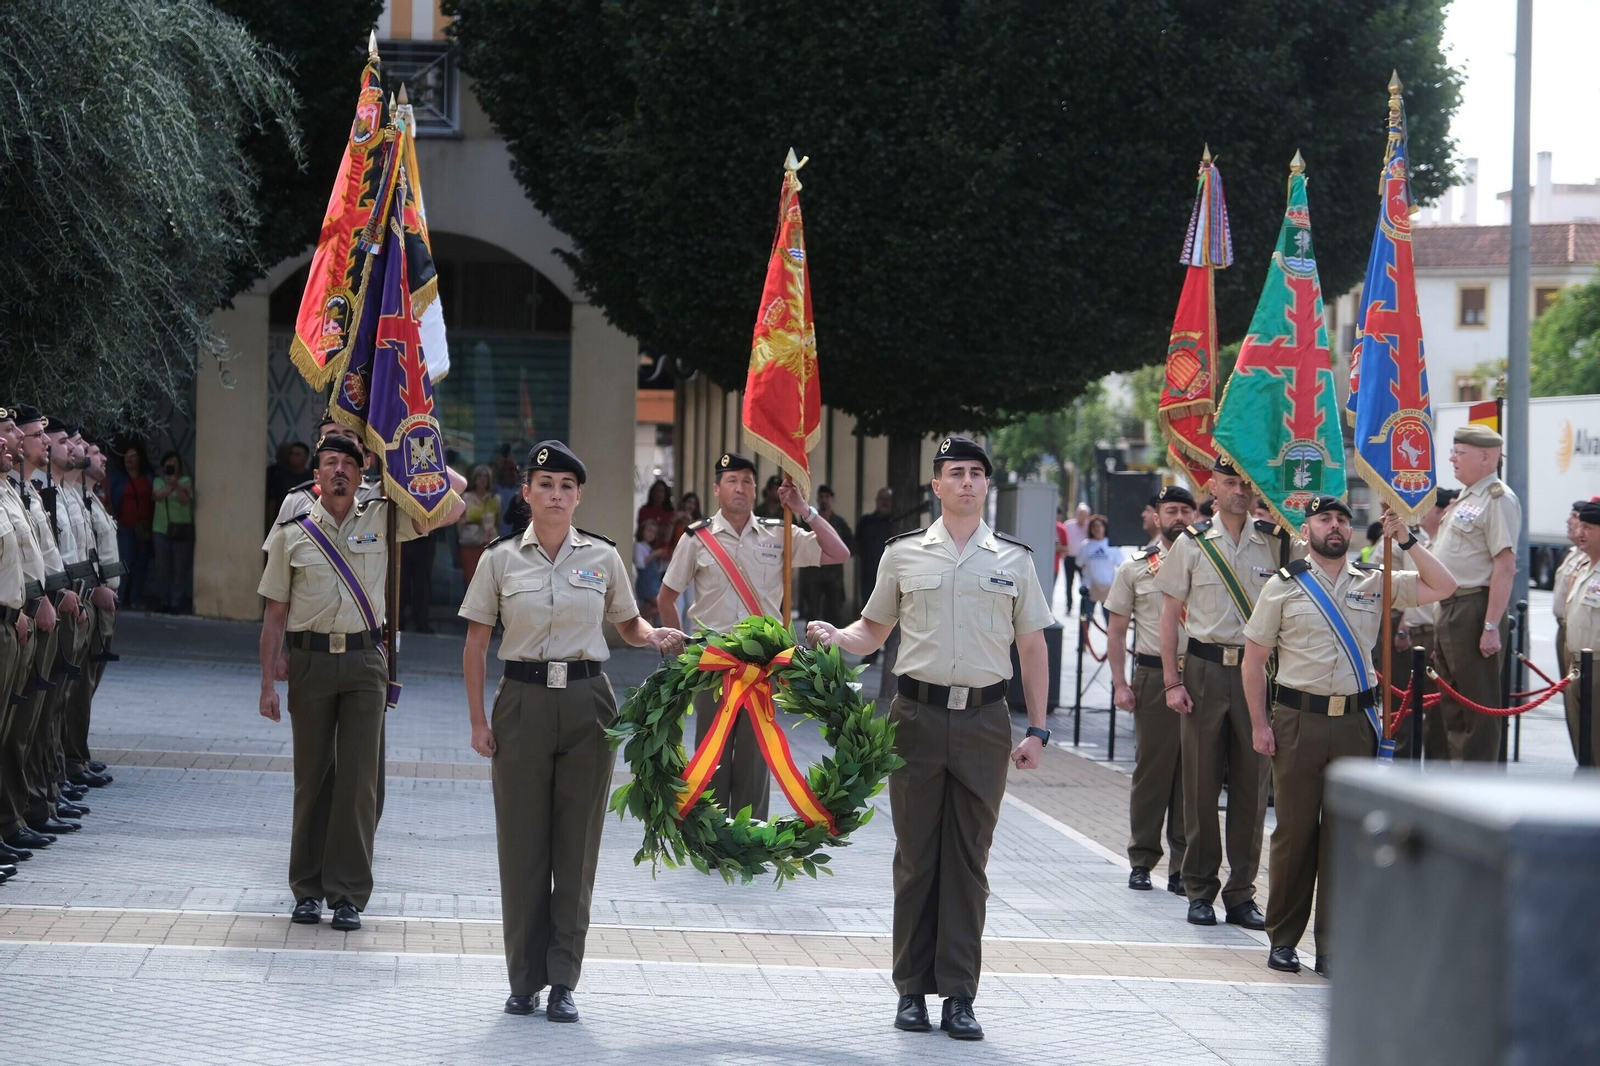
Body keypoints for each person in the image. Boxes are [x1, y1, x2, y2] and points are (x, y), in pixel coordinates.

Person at [806, 435, 1053, 1042]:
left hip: (984, 723)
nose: (966, 482)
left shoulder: (1014, 560)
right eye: (954, 473)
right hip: (914, 719)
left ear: (986, 486)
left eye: (976, 473)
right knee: (917, 858)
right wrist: (831, 637)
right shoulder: (903, 554)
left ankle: (960, 996)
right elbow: (872, 631)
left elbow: (1031, 647)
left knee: (968, 860)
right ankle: (912, 991)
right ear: (936, 486)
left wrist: (1039, 728)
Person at [459, 441, 686, 1022]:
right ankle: (523, 979)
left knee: (576, 848)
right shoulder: (500, 559)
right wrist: (479, 721)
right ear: (527, 493)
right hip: (523, 703)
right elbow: (477, 643)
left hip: (588, 702)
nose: (556, 494)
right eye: (545, 484)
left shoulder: (605, 558)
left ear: (578, 495)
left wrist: (656, 637)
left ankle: (563, 981)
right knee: (522, 845)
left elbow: (628, 624)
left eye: (566, 485)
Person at [257, 434, 465, 932]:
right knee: (312, 779)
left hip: (364, 664)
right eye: (330, 463)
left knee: (358, 783)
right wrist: (268, 680)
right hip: (308, 662)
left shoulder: (385, 513)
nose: (339, 472)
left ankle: (347, 894)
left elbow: (453, 502)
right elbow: (274, 612)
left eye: (349, 464)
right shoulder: (292, 524)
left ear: (362, 471)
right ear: (318, 474)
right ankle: (307, 890)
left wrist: (409, 454)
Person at [1244, 497, 1456, 976]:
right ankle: (1283, 940)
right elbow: (1254, 660)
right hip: (1298, 720)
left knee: (1345, 838)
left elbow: (1444, 584)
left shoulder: (1375, 580)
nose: (1335, 526)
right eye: (1325, 519)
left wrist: (1405, 538)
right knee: (1295, 835)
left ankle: (1334, 947)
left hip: (1356, 723)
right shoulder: (1283, 586)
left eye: (1342, 519)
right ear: (1307, 528)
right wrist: (1260, 724)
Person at [658, 452, 849, 819]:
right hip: (714, 665)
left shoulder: (780, 533)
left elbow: (837, 552)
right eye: (731, 481)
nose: (740, 488)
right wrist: (683, 653)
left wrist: (804, 510)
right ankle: (712, 836)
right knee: (711, 754)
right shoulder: (697, 539)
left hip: (762, 667)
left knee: (756, 755)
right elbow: (667, 597)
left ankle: (748, 840)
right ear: (716, 489)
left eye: (747, 480)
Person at [1153, 456, 1297, 929]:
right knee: (1200, 784)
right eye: (1229, 482)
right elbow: (1169, 614)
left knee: (1253, 790)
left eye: (1245, 483)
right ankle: (1199, 888)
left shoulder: (1275, 543)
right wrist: (1172, 681)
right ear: (1212, 486)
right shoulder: (1192, 544)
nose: (1239, 490)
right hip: (1204, 671)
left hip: (1257, 675)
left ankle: (1241, 894)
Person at [1106, 487, 1195, 895]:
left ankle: (1184, 866)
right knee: (1153, 772)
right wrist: (1121, 684)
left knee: (1194, 775)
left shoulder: (1209, 562)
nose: (1179, 517)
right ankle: (1142, 859)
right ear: (1155, 517)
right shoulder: (1136, 568)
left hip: (1203, 675)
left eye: (1186, 510)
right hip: (1155, 676)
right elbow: (1118, 628)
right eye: (1171, 511)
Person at [1431, 424, 1521, 763]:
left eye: (1460, 452)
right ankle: (1460, 782)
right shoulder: (1468, 497)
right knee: (1454, 706)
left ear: (1486, 457)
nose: (1452, 459)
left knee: (1477, 710)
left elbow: (1505, 565)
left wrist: (1490, 626)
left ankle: (1477, 790)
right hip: (1451, 607)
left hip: (1474, 608)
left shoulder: (1498, 499)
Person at [1553, 499, 1593, 762]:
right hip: (1572, 647)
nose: (1577, 528)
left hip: (1593, 656)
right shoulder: (1580, 561)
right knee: (1575, 713)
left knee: (1591, 721)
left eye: (1587, 526)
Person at [1560, 503, 1600, 766]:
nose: (1581, 532)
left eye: (1589, 527)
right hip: (1576, 664)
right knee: (1580, 736)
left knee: (1596, 737)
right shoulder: (1585, 567)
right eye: (1581, 526)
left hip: (1596, 664)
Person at [798, 485, 854, 625]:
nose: (824, 500)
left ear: (832, 499)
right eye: (821, 497)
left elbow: (851, 546)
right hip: (813, 574)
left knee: (834, 615)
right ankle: (813, 645)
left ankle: (833, 645)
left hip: (833, 577)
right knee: (812, 615)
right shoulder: (809, 522)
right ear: (817, 499)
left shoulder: (839, 523)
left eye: (827, 497)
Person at [151, 451, 194, 614]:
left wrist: (176, 484)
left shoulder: (186, 481)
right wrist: (171, 486)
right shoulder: (157, 481)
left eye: (175, 462)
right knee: (162, 567)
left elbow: (184, 500)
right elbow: (156, 496)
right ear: (163, 465)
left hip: (181, 530)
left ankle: (176, 603)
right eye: (169, 462)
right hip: (160, 529)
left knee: (180, 568)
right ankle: (164, 601)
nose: (172, 465)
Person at [113, 444, 152, 609]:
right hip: (124, 527)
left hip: (142, 528)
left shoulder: (148, 478)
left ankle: (136, 598)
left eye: (133, 455)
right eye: (127, 455)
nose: (129, 459)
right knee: (124, 562)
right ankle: (119, 598)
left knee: (141, 564)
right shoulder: (118, 478)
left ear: (140, 458)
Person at [458, 465, 501, 590]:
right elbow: (459, 522)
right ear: (474, 478)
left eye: (485, 477)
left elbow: (498, 521)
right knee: (471, 581)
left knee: (488, 584)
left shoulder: (495, 499)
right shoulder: (465, 498)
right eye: (479, 476)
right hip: (470, 544)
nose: (482, 479)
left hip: (489, 545)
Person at [1077, 514, 1124, 614]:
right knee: (1085, 619)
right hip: (1090, 588)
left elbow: (1121, 565)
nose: (1097, 529)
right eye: (1094, 526)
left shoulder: (1112, 544)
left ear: (1104, 528)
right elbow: (1079, 563)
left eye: (1099, 526)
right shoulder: (1086, 545)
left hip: (1108, 588)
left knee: (1109, 620)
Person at [632, 518, 668, 623]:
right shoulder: (639, 546)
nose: (651, 534)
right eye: (649, 530)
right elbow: (640, 564)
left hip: (653, 584)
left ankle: (642, 627)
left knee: (651, 610)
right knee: (661, 606)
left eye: (654, 532)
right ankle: (635, 621)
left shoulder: (648, 547)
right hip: (646, 584)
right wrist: (654, 554)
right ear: (642, 531)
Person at [1063, 503, 1091, 610]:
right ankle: (1069, 605)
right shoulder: (1068, 525)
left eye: (1085, 515)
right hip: (1070, 557)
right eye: (1081, 514)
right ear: (1076, 514)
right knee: (1069, 583)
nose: (1082, 517)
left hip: (1083, 560)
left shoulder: (1089, 526)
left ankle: (1084, 605)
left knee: (1084, 583)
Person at [637, 479, 674, 548]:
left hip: (665, 550)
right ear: (652, 492)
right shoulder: (644, 510)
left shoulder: (671, 512)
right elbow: (640, 532)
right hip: (646, 548)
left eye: (662, 491)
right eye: (656, 491)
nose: (659, 494)